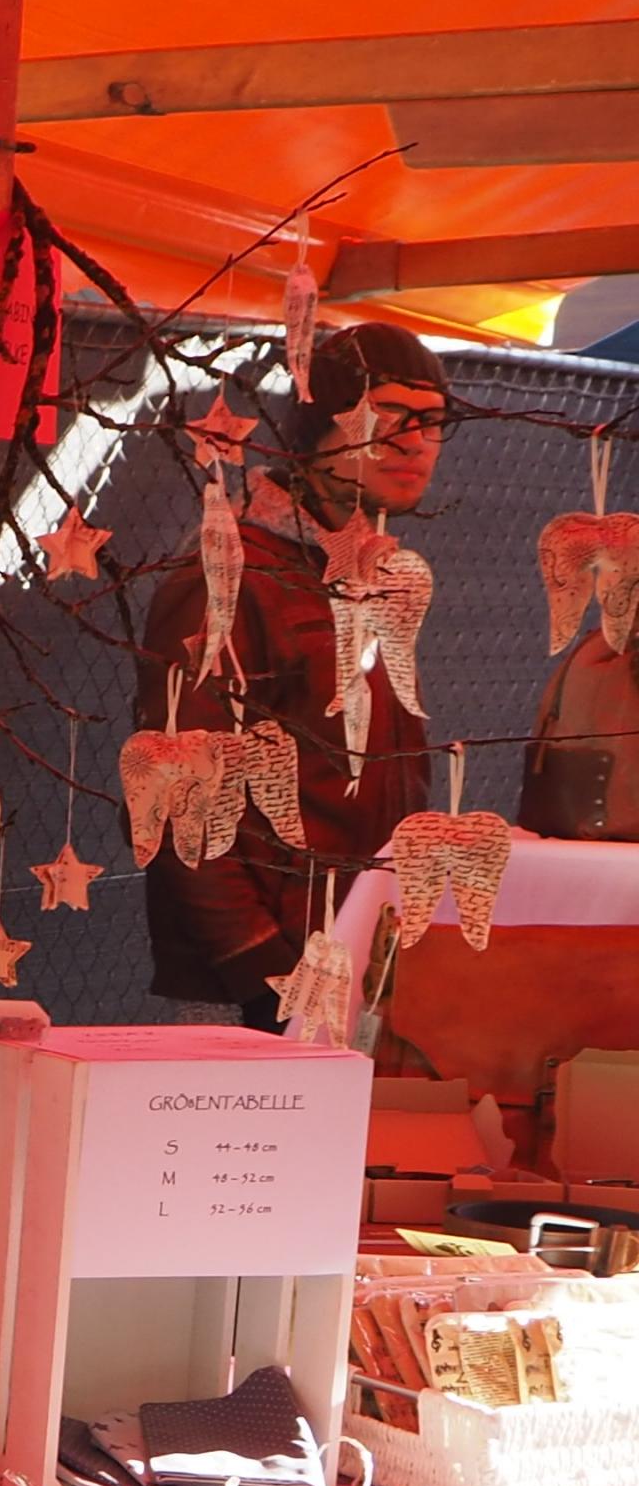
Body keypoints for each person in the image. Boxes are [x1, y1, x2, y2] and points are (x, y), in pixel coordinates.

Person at [138, 321, 448, 1022]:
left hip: (366, 950)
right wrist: (261, 966)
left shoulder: (376, 576)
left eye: (432, 422)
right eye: (386, 415)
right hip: (276, 974)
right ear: (315, 432)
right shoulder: (232, 573)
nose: (415, 442)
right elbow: (178, 786)